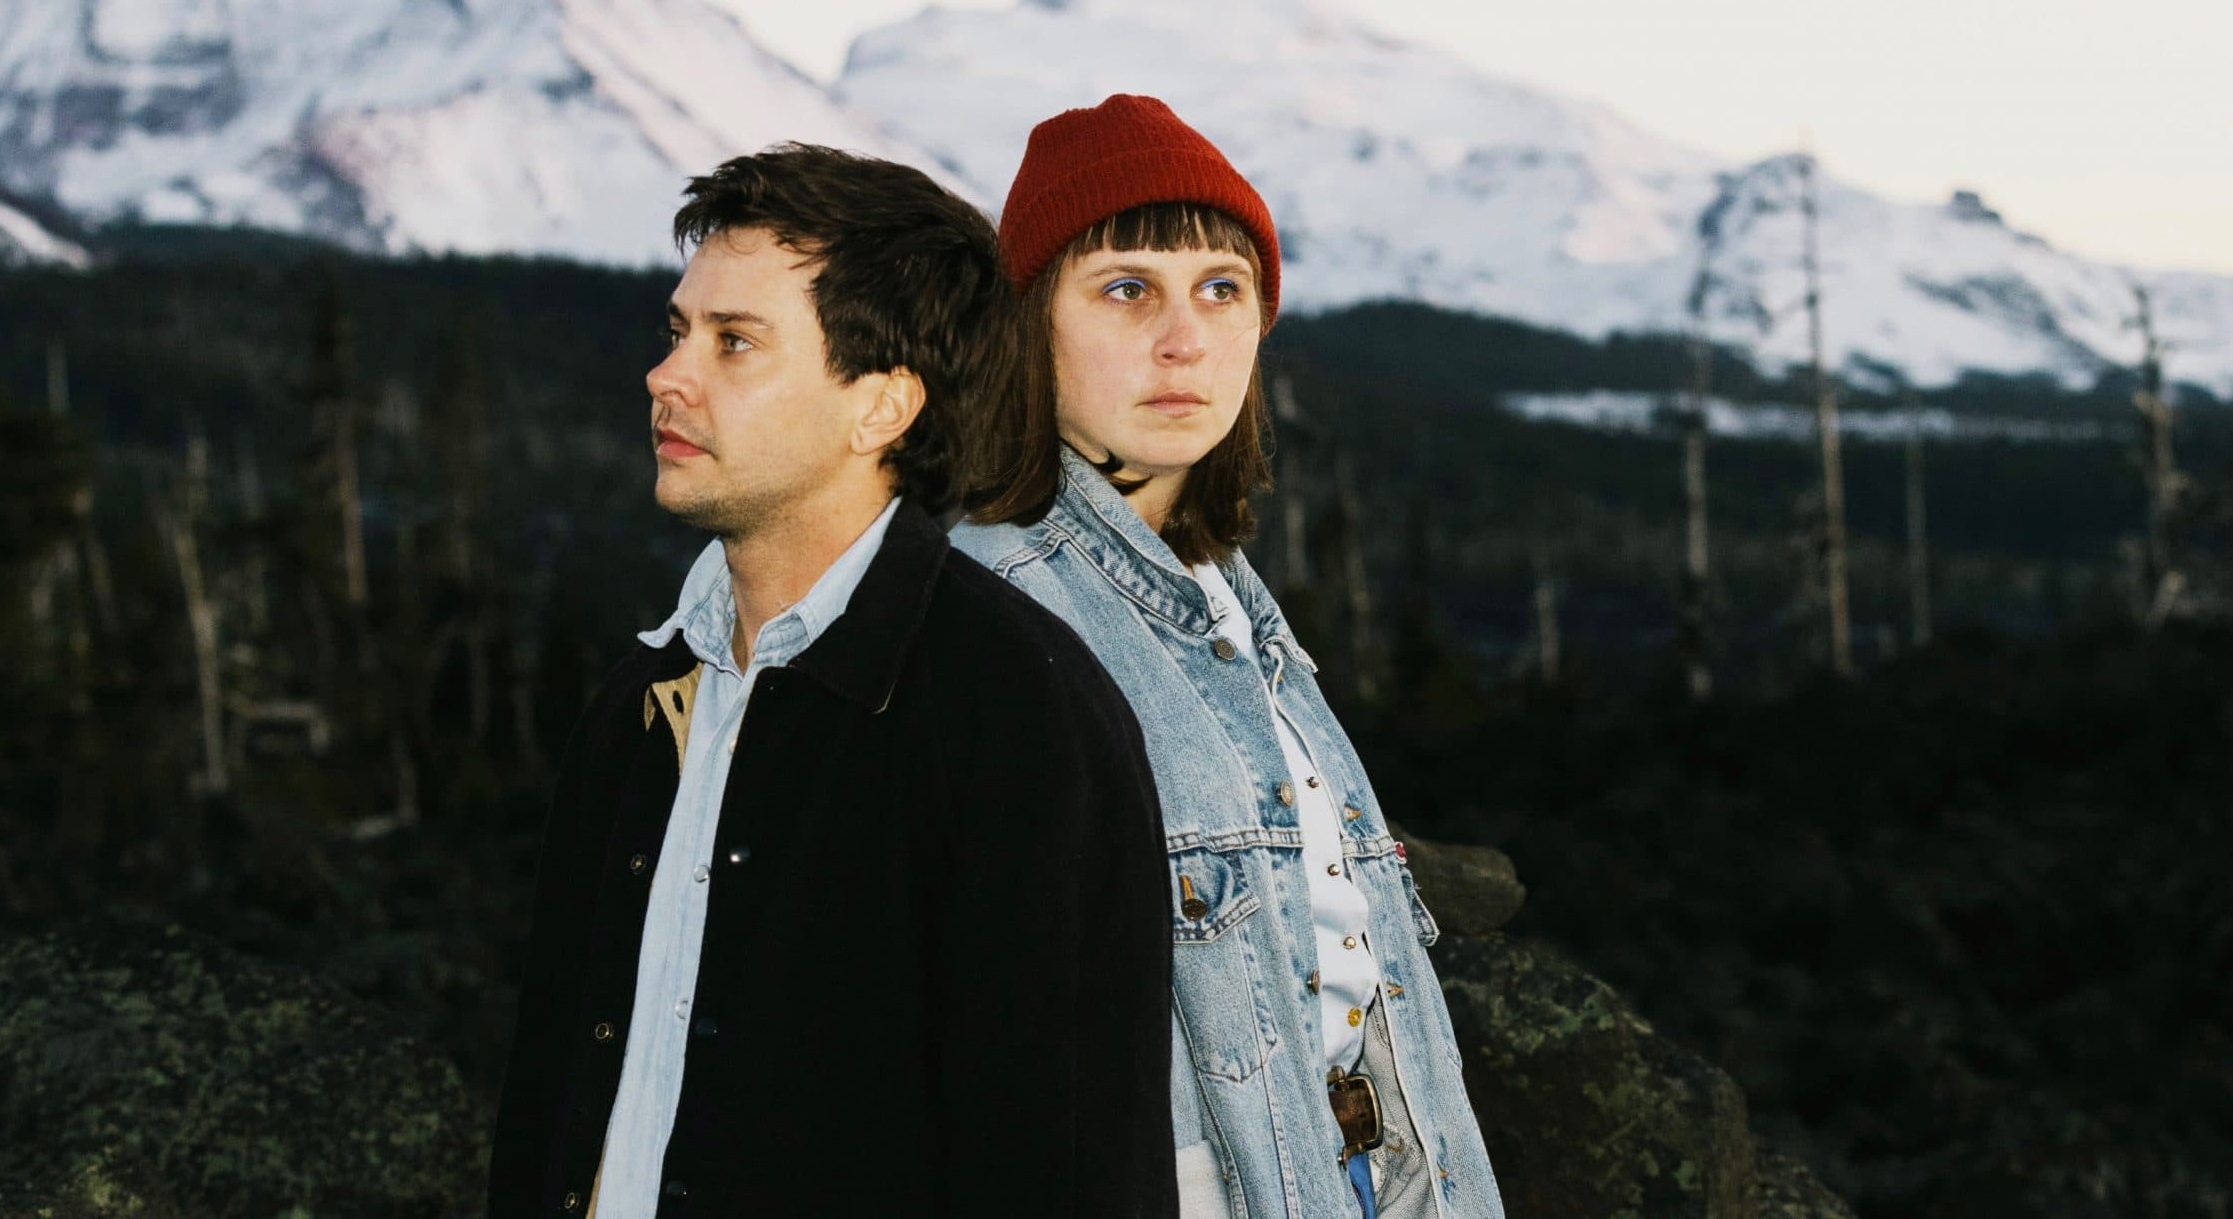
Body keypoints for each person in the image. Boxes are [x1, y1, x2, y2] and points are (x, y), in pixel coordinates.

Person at [489, 145, 1177, 1219]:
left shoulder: (1020, 715)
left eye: (734, 342)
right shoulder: (643, 702)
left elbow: (1074, 1165)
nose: (666, 377)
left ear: (882, 408)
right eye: (678, 332)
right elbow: (548, 1096)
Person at [954, 96, 1507, 1219]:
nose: (1185, 339)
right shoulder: (992, 614)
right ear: (1028, 326)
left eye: (1222, 288)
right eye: (1125, 290)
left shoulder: (1228, 603)